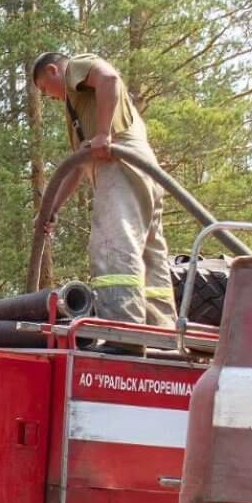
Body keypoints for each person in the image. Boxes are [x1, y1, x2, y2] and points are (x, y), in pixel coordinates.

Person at [32, 52, 177, 337]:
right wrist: (52, 208)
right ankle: (162, 333)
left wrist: (103, 134)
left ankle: (123, 332)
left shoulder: (76, 67)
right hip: (140, 169)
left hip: (119, 164)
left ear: (53, 70)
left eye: (44, 89)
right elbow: (76, 168)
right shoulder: (80, 108)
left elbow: (109, 77)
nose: (49, 97)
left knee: (112, 243)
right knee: (149, 254)